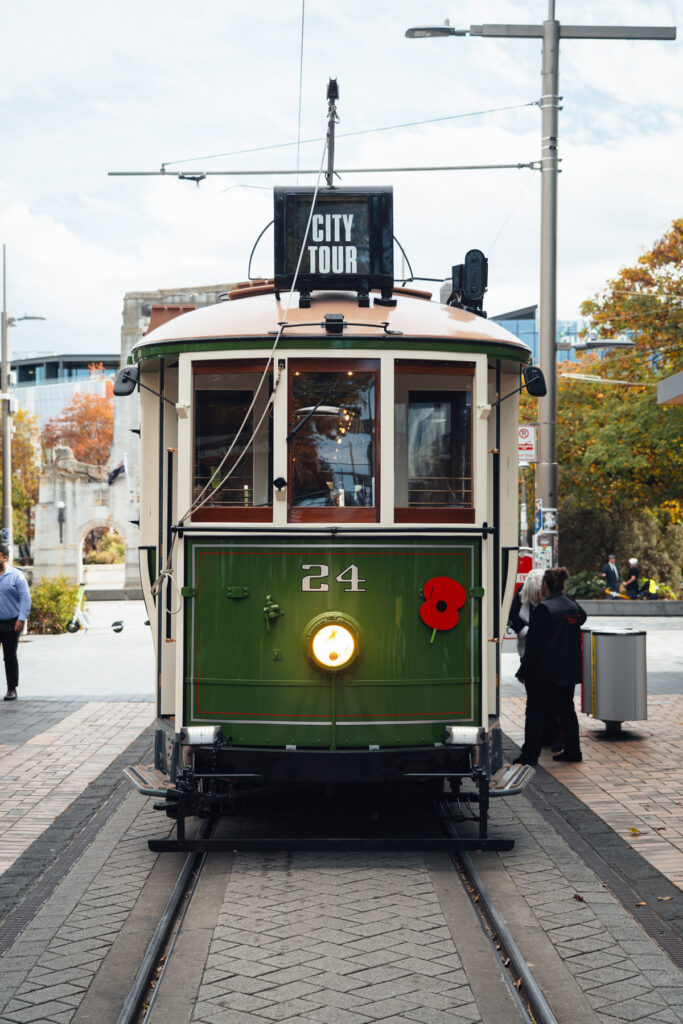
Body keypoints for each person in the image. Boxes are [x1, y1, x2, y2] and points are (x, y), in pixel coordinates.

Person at [514, 567, 587, 766]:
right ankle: (573, 751)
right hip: (568, 669)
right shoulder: (571, 605)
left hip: (545, 672)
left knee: (535, 712)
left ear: (545, 585)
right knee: (566, 710)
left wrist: (524, 671)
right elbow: (583, 617)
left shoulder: (544, 609)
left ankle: (530, 756)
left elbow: (535, 645)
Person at [509, 568, 564, 754]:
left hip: (547, 656)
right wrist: (525, 631)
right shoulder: (520, 598)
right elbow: (512, 618)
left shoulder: (551, 603)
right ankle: (543, 736)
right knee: (535, 698)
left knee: (548, 701)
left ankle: (554, 736)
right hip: (528, 652)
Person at [0, 545, 31, 701]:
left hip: (12, 622)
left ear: (5, 557)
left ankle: (11, 689)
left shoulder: (16, 576)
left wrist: (21, 618)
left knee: (9, 656)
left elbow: (26, 598)